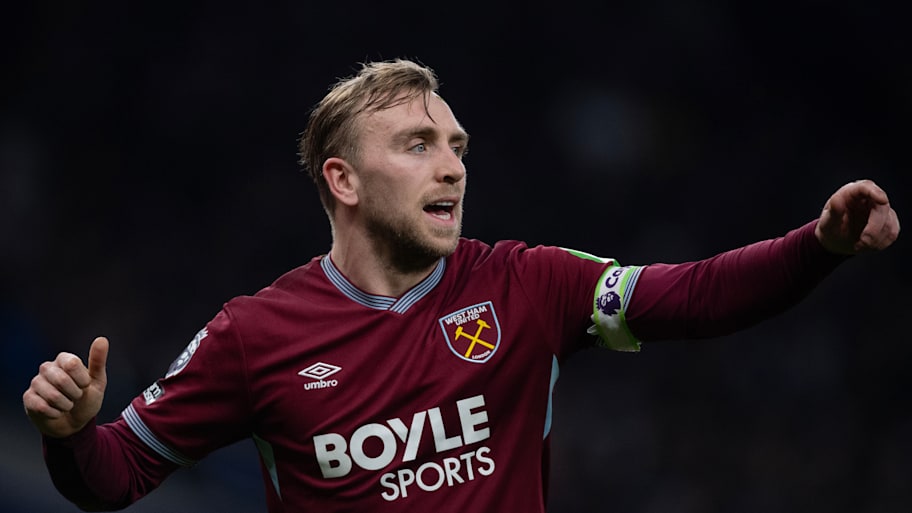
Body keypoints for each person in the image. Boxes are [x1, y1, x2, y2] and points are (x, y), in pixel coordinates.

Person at [23, 58, 899, 512]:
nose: (451, 167)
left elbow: (695, 296)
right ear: (344, 180)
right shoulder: (255, 335)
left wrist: (816, 246)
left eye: (457, 148)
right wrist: (70, 434)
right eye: (417, 145)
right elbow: (114, 476)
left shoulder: (527, 283)